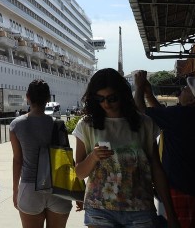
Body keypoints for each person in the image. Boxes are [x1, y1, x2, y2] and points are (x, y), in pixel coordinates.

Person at [72, 68, 178, 227]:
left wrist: (171, 213)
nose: (106, 104)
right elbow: (79, 173)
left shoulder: (145, 123)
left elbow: (157, 168)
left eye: (112, 98)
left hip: (140, 208)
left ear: (122, 94)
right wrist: (93, 157)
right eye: (100, 99)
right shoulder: (87, 125)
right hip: (99, 209)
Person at [133, 71, 195, 227]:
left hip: (182, 186)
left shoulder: (182, 115)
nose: (180, 91)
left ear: (192, 99)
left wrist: (138, 87)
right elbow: (164, 117)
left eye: (185, 89)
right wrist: (150, 95)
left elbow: (140, 111)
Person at [9, 79, 76, 228]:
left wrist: (15, 190)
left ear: (27, 96)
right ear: (48, 98)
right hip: (58, 188)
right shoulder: (58, 124)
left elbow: (17, 160)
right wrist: (76, 189)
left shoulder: (16, 125)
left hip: (29, 187)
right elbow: (68, 159)